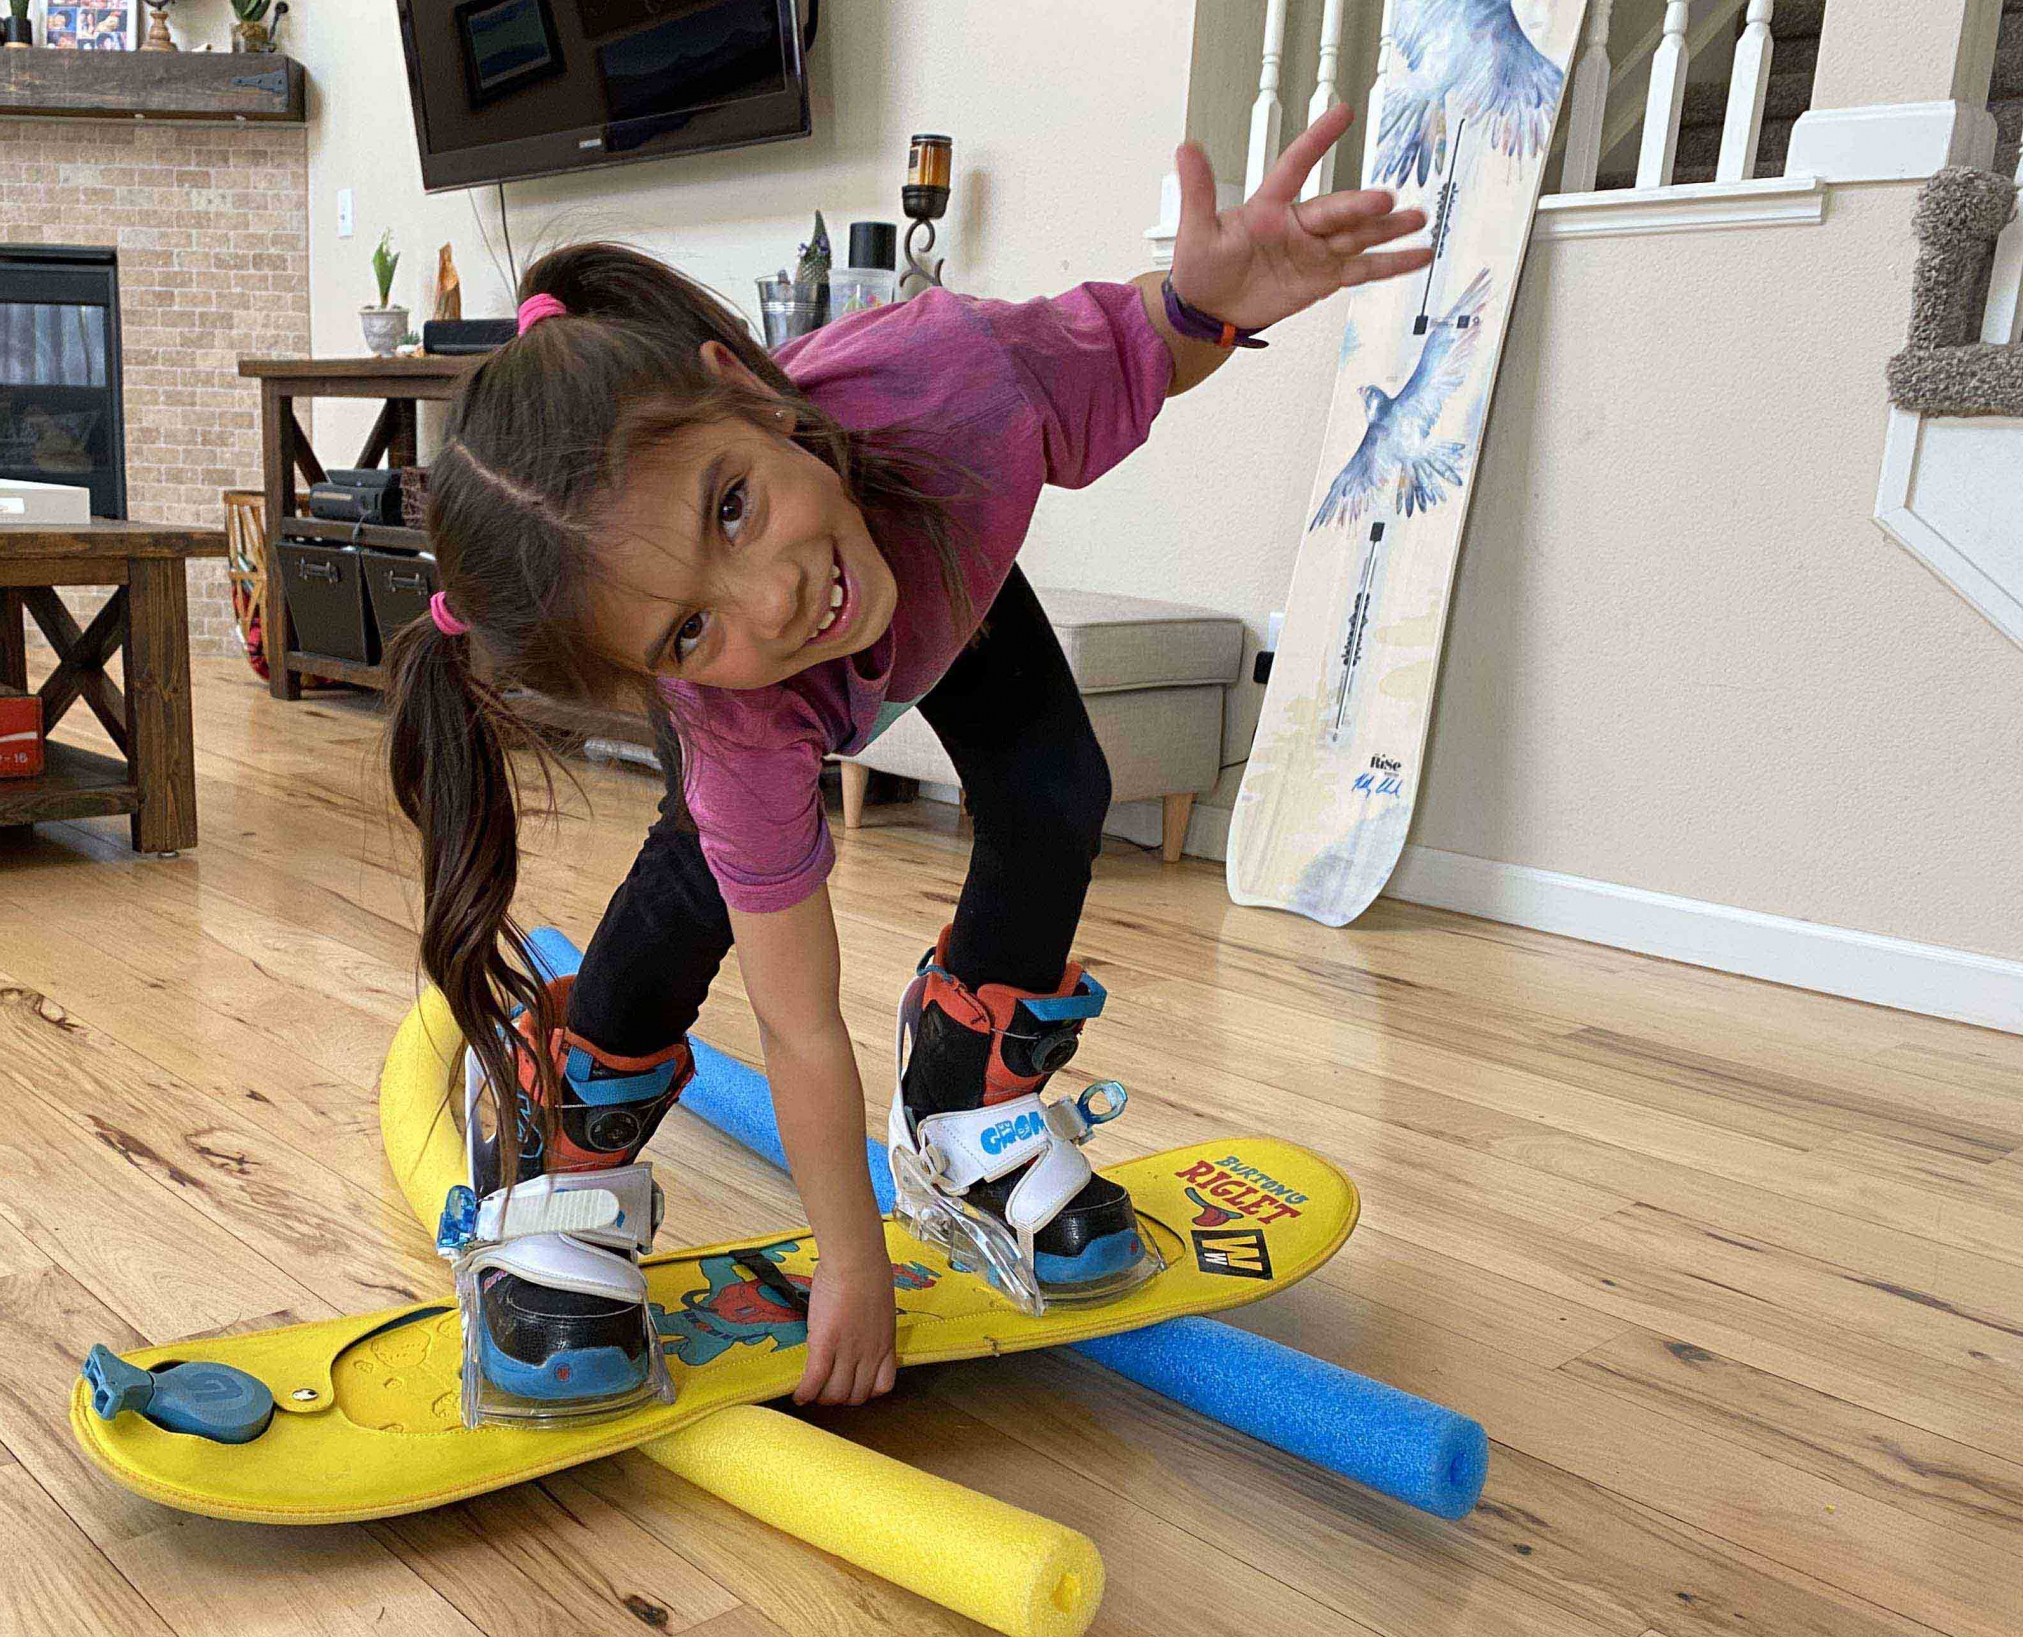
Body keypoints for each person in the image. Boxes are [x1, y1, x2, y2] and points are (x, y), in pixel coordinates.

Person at [387, 107, 1426, 1421]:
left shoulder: (954, 380)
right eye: (689, 625)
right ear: (661, 671)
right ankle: (565, 1148)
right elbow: (800, 1022)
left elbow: (1133, 348)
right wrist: (850, 1259)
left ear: (753, 394)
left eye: (732, 503)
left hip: (944, 555)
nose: (774, 599)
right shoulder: (738, 713)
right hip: (787, 706)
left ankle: (964, 1105)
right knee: (701, 882)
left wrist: (1208, 303)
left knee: (1056, 792)